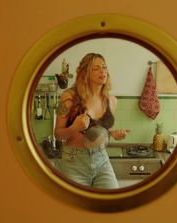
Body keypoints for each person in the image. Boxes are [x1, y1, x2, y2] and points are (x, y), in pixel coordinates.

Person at [54, 53, 129, 189]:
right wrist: (74, 128)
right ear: (85, 73)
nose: (103, 71)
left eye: (104, 67)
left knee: (112, 204)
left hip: (102, 159)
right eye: (96, 68)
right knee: (75, 209)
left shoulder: (112, 101)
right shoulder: (67, 97)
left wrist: (111, 134)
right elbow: (58, 134)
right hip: (74, 161)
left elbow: (97, 131)